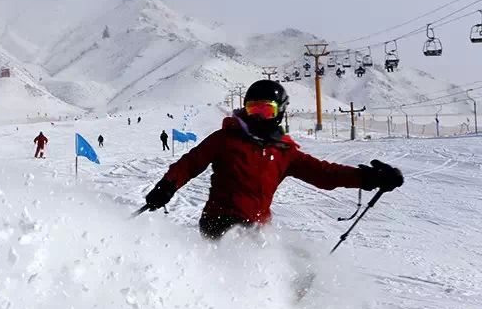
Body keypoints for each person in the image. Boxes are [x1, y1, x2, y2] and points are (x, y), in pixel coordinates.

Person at [144, 80, 404, 240]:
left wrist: (368, 178)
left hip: (256, 227)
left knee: (292, 265)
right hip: (219, 222)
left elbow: (325, 174)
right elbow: (190, 163)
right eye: (252, 109)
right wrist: (167, 186)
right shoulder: (225, 139)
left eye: (266, 110)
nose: (258, 116)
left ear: (279, 113)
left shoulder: (283, 152)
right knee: (247, 263)